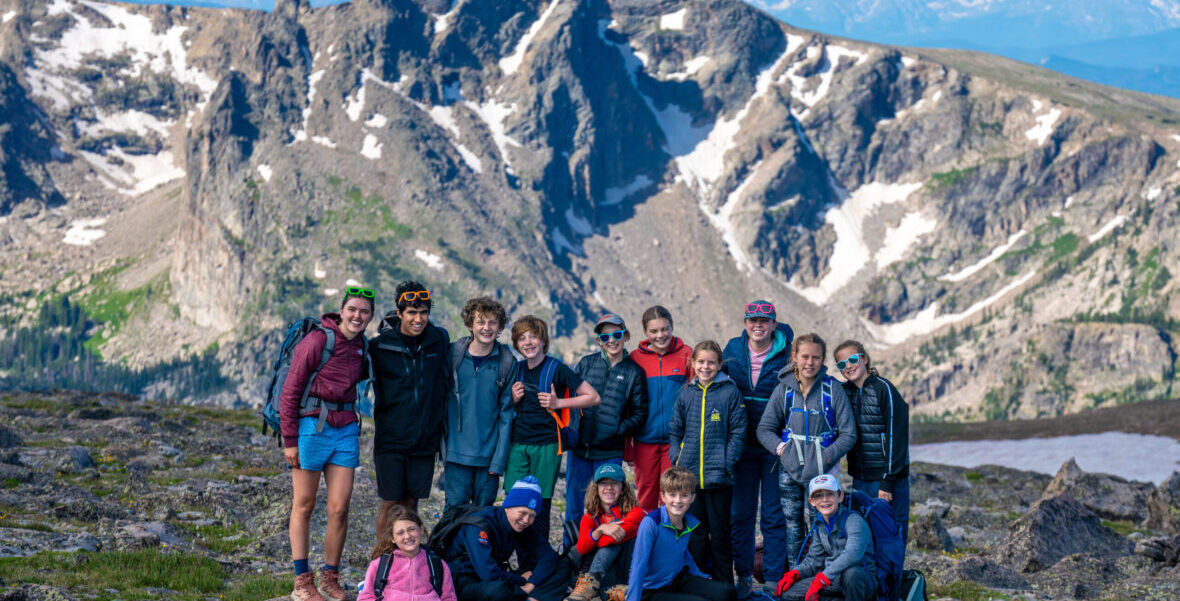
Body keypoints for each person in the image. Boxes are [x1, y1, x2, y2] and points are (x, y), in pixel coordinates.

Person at [280, 288, 375, 601]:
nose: (357, 316)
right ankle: (301, 582)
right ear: (342, 310)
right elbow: (291, 392)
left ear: (370, 316)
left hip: (346, 428)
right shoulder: (318, 340)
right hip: (311, 428)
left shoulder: (362, 345)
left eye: (364, 311)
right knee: (304, 503)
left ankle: (330, 578)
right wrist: (289, 440)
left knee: (340, 508)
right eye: (352, 309)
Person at [756, 333, 856, 570]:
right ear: (794, 357)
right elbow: (764, 429)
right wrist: (782, 449)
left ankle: (824, 579)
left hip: (824, 471)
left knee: (822, 523)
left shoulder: (832, 390)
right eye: (804, 356)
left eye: (816, 357)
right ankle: (795, 577)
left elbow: (849, 434)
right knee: (792, 526)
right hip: (788, 469)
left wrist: (826, 456)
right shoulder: (784, 389)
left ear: (822, 360)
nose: (810, 362)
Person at [721, 300, 794, 597]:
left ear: (774, 324)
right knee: (741, 514)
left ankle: (775, 580)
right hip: (741, 445)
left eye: (764, 320)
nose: (758, 325)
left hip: (775, 446)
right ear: (745, 322)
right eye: (752, 320)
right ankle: (745, 576)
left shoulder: (788, 351)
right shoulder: (732, 349)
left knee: (775, 515)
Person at [506, 315, 600, 543]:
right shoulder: (515, 369)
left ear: (544, 340)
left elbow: (593, 397)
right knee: (513, 502)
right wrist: (513, 399)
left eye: (534, 336)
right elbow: (507, 407)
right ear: (516, 344)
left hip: (548, 445)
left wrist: (559, 404)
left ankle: (539, 561)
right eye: (522, 338)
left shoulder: (557, 369)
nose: (528, 342)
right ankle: (521, 557)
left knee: (541, 503)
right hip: (518, 444)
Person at [371, 280, 451, 538]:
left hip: (425, 439)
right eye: (412, 313)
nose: (419, 319)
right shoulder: (380, 346)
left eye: (424, 312)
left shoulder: (438, 340)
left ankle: (407, 565)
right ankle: (381, 565)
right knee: (390, 503)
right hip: (391, 439)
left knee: (413, 502)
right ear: (399, 311)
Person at [668, 340, 745, 585]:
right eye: (701, 361)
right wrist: (675, 457)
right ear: (693, 364)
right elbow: (675, 429)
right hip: (689, 480)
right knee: (696, 536)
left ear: (719, 365)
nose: (705, 366)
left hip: (719, 479)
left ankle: (724, 588)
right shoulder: (686, 393)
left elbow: (739, 430)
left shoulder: (729, 391)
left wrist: (727, 461)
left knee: (721, 536)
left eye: (711, 362)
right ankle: (700, 585)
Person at [568, 314, 648, 535]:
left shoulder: (634, 372)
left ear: (626, 335)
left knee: (607, 508)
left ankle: (600, 560)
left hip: (610, 451)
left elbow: (640, 414)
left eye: (617, 334)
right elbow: (571, 399)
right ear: (599, 341)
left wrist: (616, 431)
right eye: (605, 336)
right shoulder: (585, 363)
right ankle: (570, 556)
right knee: (574, 508)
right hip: (579, 450)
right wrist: (574, 431)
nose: (612, 340)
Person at [443, 476, 571, 601]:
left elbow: (548, 556)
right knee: (499, 590)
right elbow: (488, 573)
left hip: (498, 577)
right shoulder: (479, 525)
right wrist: (522, 580)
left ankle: (532, 597)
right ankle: (532, 594)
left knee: (562, 564)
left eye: (532, 516)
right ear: (508, 507)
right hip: (466, 581)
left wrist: (530, 584)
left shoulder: (520, 526)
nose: (526, 520)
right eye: (522, 513)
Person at [834, 340, 911, 543]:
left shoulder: (884, 389)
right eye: (841, 364)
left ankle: (893, 575)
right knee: (867, 531)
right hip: (861, 476)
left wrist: (888, 480)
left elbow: (897, 436)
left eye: (852, 359)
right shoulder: (844, 392)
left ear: (865, 359)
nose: (848, 366)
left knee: (892, 529)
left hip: (887, 478)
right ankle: (873, 575)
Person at [444, 297, 516, 509]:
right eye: (481, 322)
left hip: (489, 458)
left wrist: (499, 460)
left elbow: (507, 414)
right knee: (453, 512)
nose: (486, 328)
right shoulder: (452, 354)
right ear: (469, 325)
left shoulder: (506, 361)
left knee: (483, 514)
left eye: (492, 323)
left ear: (500, 327)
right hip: (456, 454)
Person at [625, 466, 736, 601]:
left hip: (677, 580)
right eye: (672, 495)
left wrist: (700, 575)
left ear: (692, 497)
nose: (678, 501)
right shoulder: (651, 523)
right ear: (663, 496)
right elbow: (638, 566)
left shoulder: (689, 521)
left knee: (727, 592)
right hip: (651, 590)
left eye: (684, 495)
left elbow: (683, 553)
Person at [630, 306, 694, 511]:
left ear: (672, 327)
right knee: (645, 495)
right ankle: (645, 539)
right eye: (654, 331)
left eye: (664, 329)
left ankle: (670, 538)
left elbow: (697, 398)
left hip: (676, 441)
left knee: (673, 494)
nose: (660, 335)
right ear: (646, 333)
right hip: (644, 440)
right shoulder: (634, 359)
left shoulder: (687, 355)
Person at [775, 475, 876, 601]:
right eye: (818, 495)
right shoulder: (819, 525)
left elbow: (853, 554)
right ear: (812, 501)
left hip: (861, 581)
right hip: (833, 579)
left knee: (852, 574)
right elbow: (813, 560)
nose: (824, 500)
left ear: (840, 497)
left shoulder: (854, 520)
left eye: (829, 494)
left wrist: (823, 578)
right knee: (789, 593)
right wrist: (795, 573)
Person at [566, 463, 646, 601]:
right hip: (606, 573)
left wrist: (598, 538)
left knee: (617, 537)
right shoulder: (590, 517)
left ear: (622, 489)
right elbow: (581, 548)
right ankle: (607, 592)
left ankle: (590, 585)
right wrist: (601, 530)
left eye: (614, 483)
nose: (609, 488)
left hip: (628, 568)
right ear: (596, 489)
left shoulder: (636, 512)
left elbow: (616, 537)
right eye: (604, 483)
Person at [358, 504, 457, 601]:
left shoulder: (438, 565)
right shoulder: (379, 565)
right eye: (400, 532)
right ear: (392, 538)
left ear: (421, 529)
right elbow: (365, 597)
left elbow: (449, 597)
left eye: (411, 529)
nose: (407, 536)